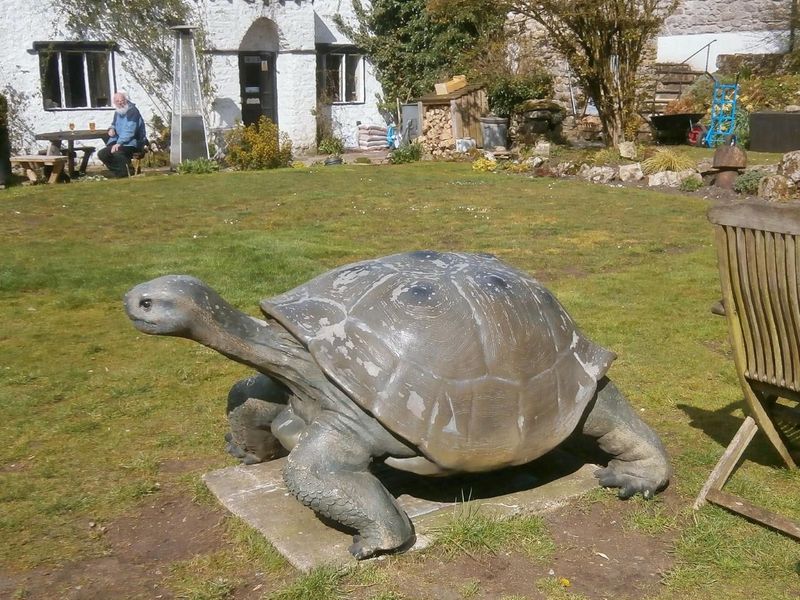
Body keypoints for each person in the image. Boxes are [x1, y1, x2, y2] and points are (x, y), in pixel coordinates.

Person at [98, 91, 147, 178]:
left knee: (117, 152)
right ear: (114, 103)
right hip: (121, 142)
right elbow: (114, 123)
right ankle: (120, 172)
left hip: (133, 142)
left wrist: (119, 143)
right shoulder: (118, 111)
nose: (120, 103)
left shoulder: (132, 111)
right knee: (102, 153)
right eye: (117, 101)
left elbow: (130, 130)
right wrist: (111, 129)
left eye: (122, 100)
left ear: (126, 100)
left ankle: (127, 172)